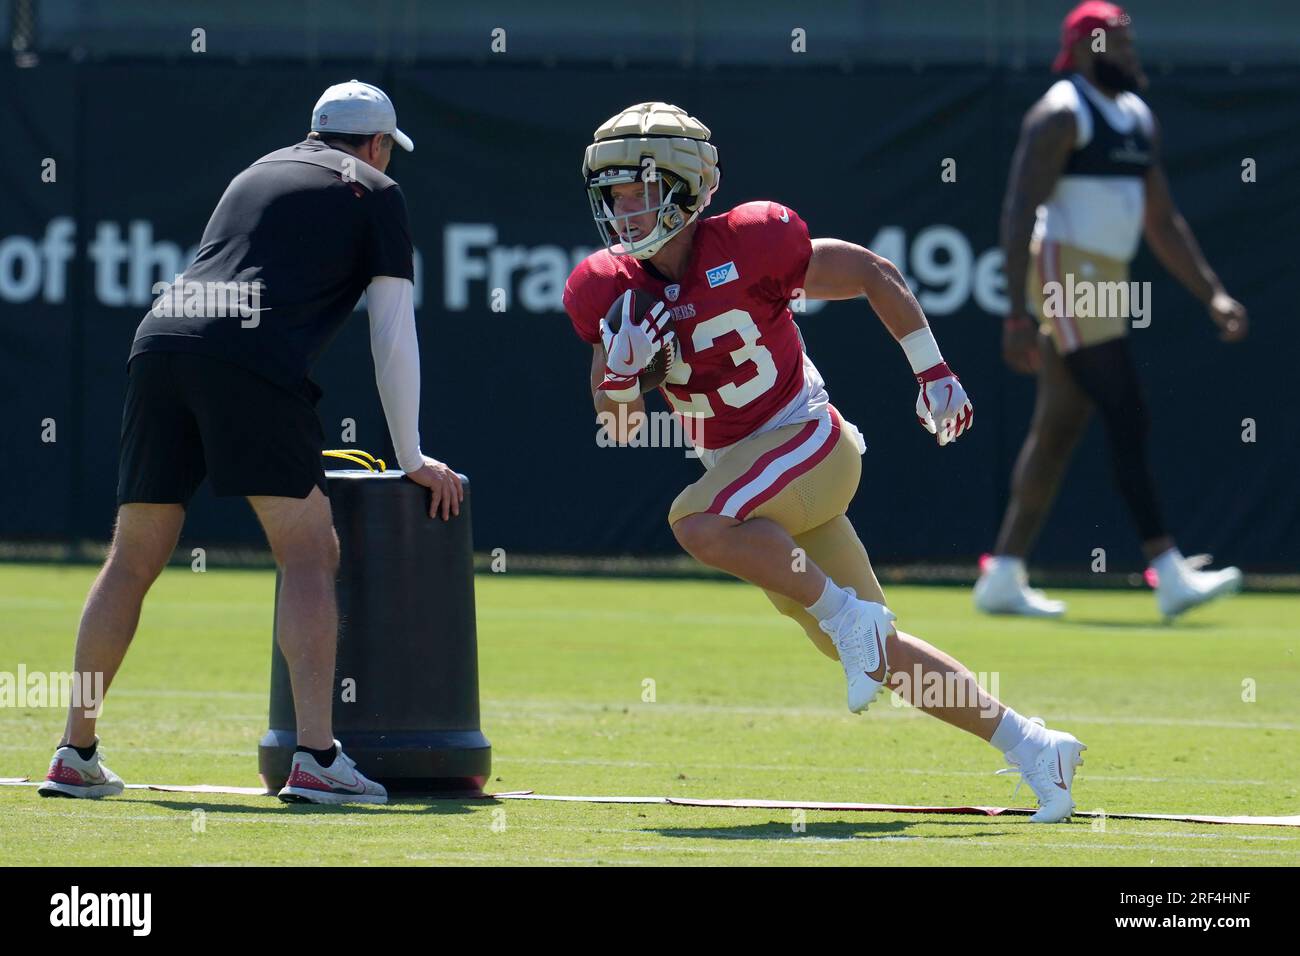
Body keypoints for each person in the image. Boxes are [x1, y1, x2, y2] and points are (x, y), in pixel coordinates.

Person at [563, 101, 1085, 822]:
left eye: (635, 191)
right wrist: (619, 378)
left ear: (682, 188)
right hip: (750, 481)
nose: (621, 211)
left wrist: (932, 372)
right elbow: (619, 429)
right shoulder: (607, 288)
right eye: (612, 196)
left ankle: (844, 615)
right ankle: (1035, 747)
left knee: (695, 521)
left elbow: (871, 271)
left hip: (808, 442)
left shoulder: (751, 243)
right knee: (878, 653)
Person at [38, 80, 462, 806]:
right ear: (379, 144)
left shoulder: (254, 172)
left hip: (160, 345)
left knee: (132, 558)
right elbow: (392, 333)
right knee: (308, 549)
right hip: (249, 358)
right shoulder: (378, 190)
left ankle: (75, 751)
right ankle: (318, 756)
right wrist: (412, 455)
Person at [974, 2, 1247, 619]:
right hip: (1067, 269)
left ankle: (1004, 575)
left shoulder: (1136, 116)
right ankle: (1169, 569)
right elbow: (1019, 211)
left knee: (1059, 425)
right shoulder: (1059, 113)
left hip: (1109, 276)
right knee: (1127, 408)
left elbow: (1162, 220)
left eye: (1129, 42)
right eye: (1116, 44)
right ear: (1085, 49)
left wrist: (1213, 293)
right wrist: (1017, 313)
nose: (1129, 53)